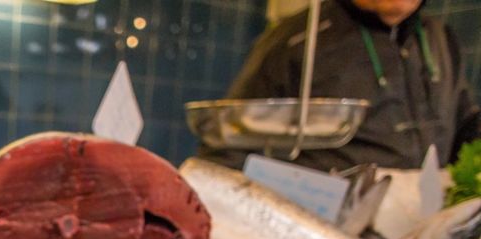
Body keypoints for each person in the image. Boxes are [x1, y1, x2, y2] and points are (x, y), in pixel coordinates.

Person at [200, 0, 481, 172]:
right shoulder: (297, 39)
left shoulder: (441, 38)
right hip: (323, 232)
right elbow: (228, 143)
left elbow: (464, 126)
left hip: (420, 229)